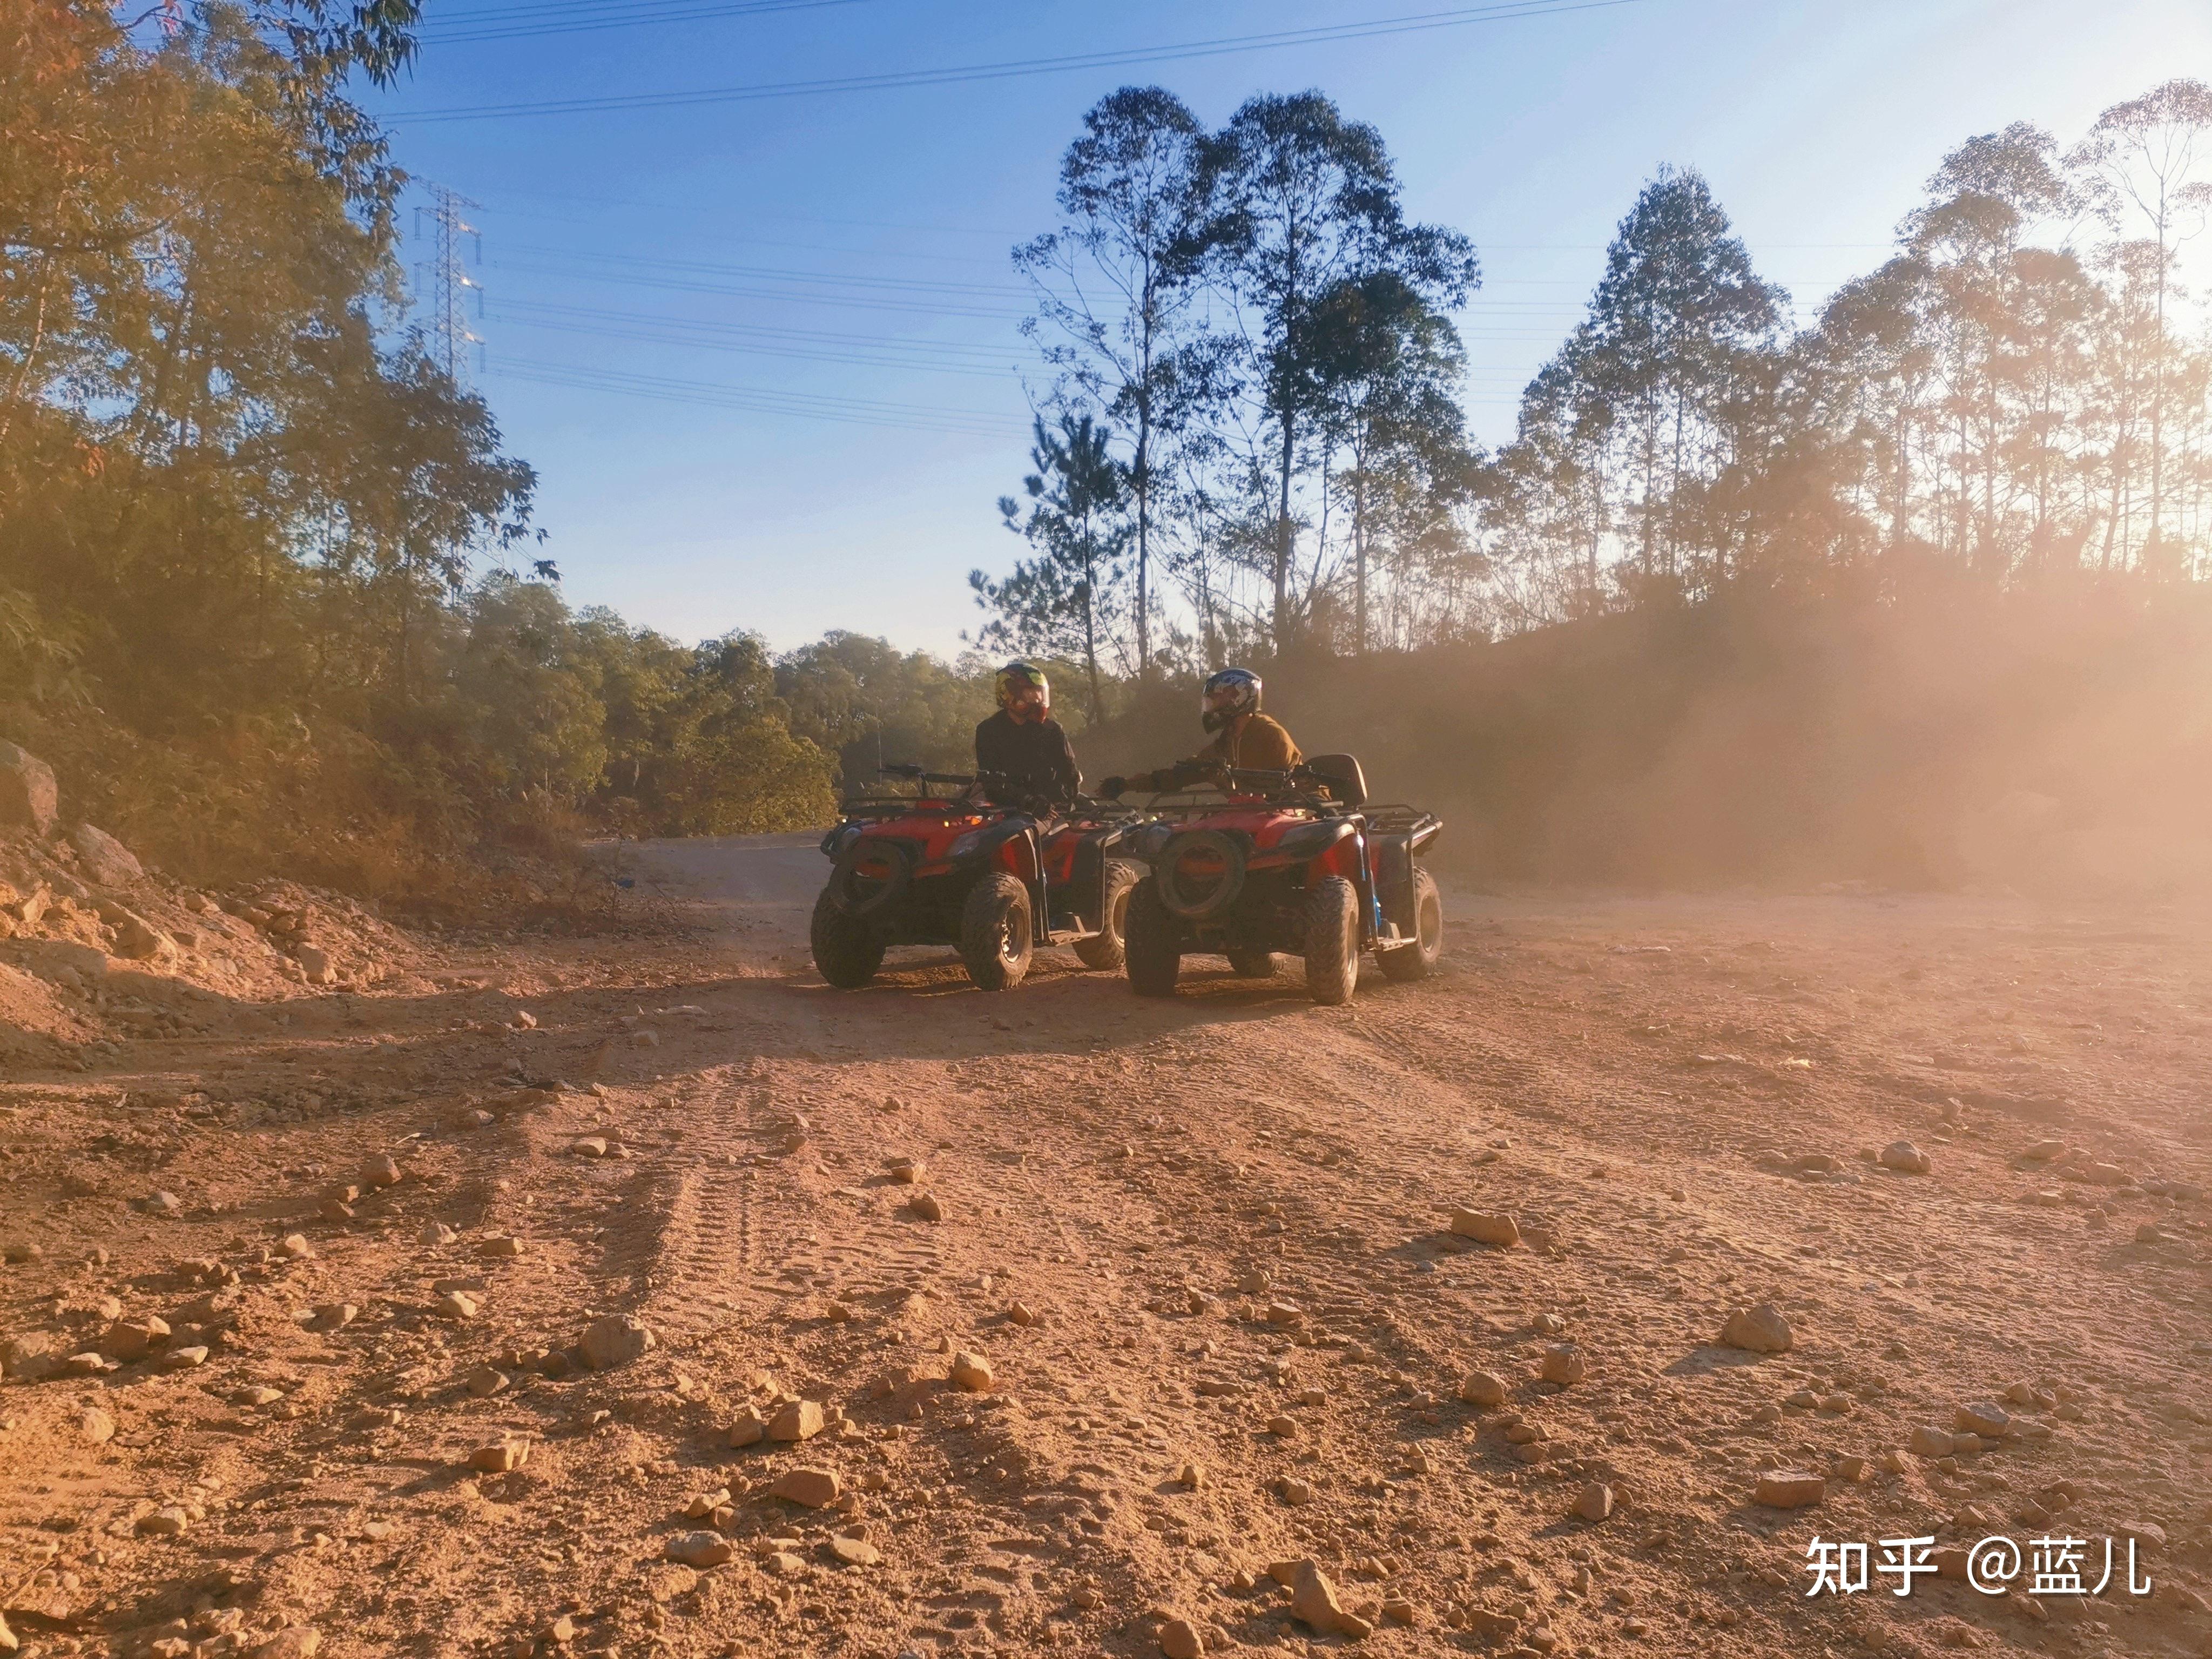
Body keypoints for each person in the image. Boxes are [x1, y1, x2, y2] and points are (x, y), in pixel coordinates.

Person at [1099, 667, 1301, 797]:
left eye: (1217, 698)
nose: (1212, 706)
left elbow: (1292, 788)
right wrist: (1126, 785)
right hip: (1249, 817)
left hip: (1291, 822)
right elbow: (1182, 775)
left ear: (1238, 697)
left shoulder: (1272, 735)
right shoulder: (1227, 741)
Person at [973, 660, 1080, 808]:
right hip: (1010, 807)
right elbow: (993, 782)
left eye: (1040, 693)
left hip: (1054, 804)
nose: (1037, 699)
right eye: (1031, 693)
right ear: (1009, 694)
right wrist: (1027, 800)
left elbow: (1069, 772)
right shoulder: (989, 731)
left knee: (1097, 817)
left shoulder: (1053, 730)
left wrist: (1064, 799)